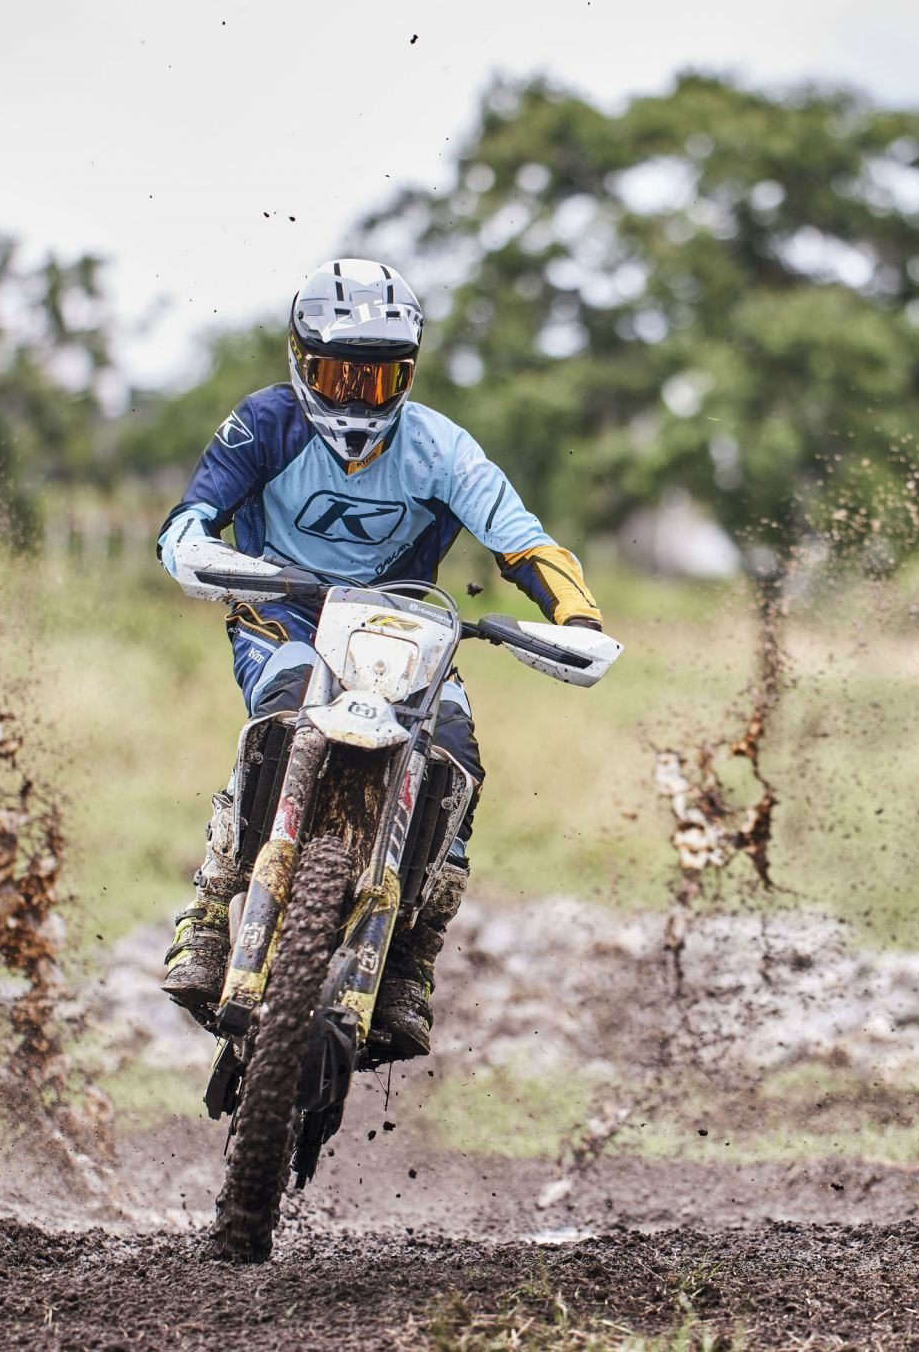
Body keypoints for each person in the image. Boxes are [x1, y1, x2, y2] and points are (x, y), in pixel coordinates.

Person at [154, 257, 604, 1062]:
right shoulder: (263, 423)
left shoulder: (441, 447)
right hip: (281, 610)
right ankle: (213, 904)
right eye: (335, 374)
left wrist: (577, 614)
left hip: (404, 630)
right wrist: (193, 552)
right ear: (300, 360)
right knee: (284, 700)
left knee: (458, 755)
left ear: (407, 376)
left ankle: (412, 960)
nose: (354, 398)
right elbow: (190, 516)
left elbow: (523, 539)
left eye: (377, 379)